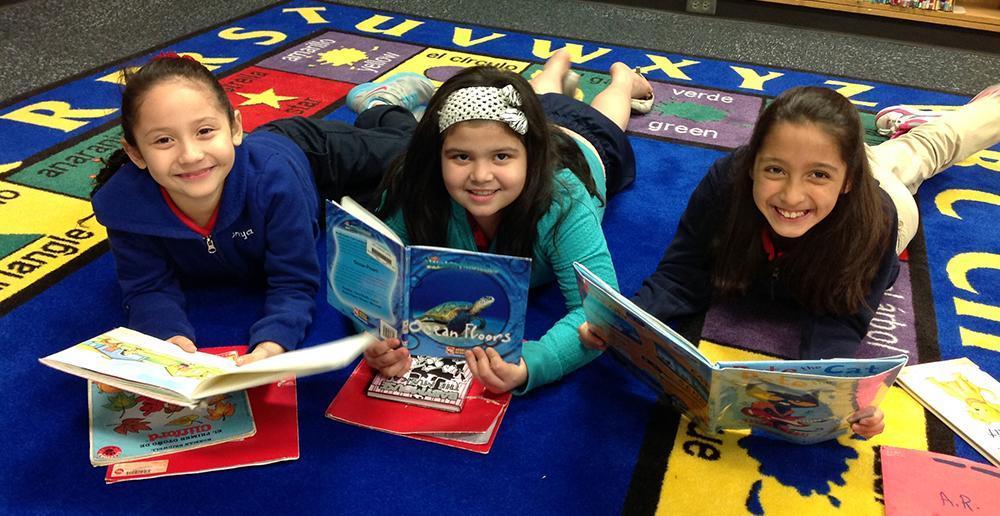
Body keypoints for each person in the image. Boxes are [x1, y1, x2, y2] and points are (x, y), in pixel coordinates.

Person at [578, 84, 1000, 438]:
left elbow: (844, 315)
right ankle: (886, 140)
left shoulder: (876, 221)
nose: (791, 196)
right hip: (836, 161)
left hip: (883, 196)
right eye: (774, 170)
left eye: (817, 176)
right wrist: (626, 326)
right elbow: (682, 270)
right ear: (751, 164)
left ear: (847, 179)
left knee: (921, 153)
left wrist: (837, 391)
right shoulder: (725, 184)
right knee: (900, 150)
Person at [89, 54, 435, 364]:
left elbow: (295, 280)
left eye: (205, 131)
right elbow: (147, 289)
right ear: (135, 153)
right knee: (390, 196)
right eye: (164, 140)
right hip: (307, 201)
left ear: (236, 128)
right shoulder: (126, 209)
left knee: (422, 159)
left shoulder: (273, 180)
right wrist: (170, 343)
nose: (190, 155)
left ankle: (381, 103)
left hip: (314, 155)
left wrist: (275, 341)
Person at [359, 51, 654, 394]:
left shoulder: (565, 199)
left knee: (608, 112)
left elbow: (599, 313)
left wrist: (533, 363)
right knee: (542, 97)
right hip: (526, 121)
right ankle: (555, 68)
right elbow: (371, 275)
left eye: (501, 157)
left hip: (587, 144)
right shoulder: (415, 185)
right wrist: (376, 336)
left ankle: (623, 78)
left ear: (531, 156)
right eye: (461, 157)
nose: (481, 176)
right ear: (436, 155)